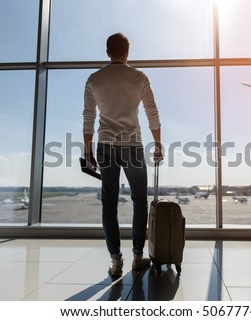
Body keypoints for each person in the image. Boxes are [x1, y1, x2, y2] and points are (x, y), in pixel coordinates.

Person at [83, 33, 163, 277]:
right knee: (140, 201)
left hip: (105, 145)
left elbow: (88, 117)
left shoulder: (94, 79)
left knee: (109, 204)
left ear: (107, 52)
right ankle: (138, 257)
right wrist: (158, 143)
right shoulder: (140, 77)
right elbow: (152, 111)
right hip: (132, 145)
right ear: (128, 52)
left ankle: (116, 261)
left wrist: (88, 149)